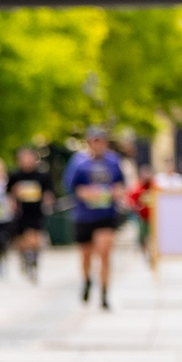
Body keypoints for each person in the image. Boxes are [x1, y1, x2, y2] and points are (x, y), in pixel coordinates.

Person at [64, 127, 129, 309]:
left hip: (106, 215)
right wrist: (86, 193)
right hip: (84, 215)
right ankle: (86, 280)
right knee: (86, 255)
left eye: (101, 140)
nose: (97, 144)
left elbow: (121, 184)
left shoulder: (113, 161)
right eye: (94, 140)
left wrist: (115, 192)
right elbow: (71, 187)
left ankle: (104, 293)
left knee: (105, 254)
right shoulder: (79, 162)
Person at [9, 146, 51, 282]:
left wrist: (48, 201)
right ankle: (25, 257)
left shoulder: (42, 176)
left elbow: (49, 193)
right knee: (22, 240)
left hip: (36, 211)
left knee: (34, 239)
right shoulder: (15, 176)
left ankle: (33, 260)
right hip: (21, 213)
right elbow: (9, 194)